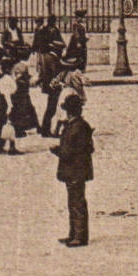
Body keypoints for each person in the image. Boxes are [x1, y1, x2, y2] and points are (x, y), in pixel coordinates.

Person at [50, 93, 94, 247]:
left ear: (69, 111)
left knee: (76, 203)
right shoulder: (79, 125)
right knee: (74, 202)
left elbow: (68, 152)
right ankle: (74, 233)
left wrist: (57, 150)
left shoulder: (76, 128)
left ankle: (79, 236)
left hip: (75, 170)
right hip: (77, 170)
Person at [35, 40, 64, 137]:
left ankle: (45, 129)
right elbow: (55, 72)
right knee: (51, 108)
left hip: (49, 85)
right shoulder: (52, 58)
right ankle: (45, 130)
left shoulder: (47, 56)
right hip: (53, 86)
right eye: (60, 50)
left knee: (50, 107)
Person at [9, 58, 40, 139]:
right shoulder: (22, 66)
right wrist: (29, 81)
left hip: (20, 92)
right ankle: (19, 129)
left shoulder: (17, 65)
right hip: (21, 92)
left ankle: (35, 126)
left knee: (26, 108)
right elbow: (19, 79)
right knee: (21, 110)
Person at [0, 61, 21, 156]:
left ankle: (2, 145)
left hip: (4, 102)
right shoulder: (8, 80)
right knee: (11, 124)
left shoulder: (2, 79)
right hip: (10, 101)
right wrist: (10, 105)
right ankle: (11, 146)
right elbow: (10, 92)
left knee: (6, 124)